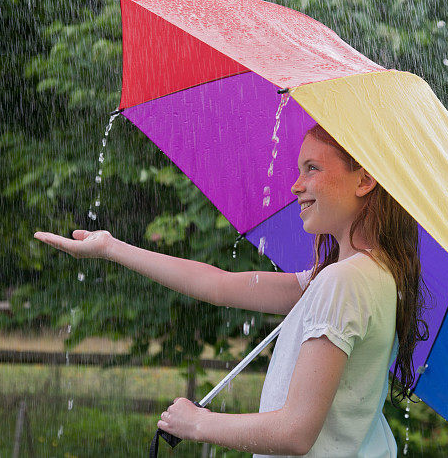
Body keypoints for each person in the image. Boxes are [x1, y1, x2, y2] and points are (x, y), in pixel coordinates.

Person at [34, 123, 427, 457]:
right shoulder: (369, 275)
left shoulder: (345, 282)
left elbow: (296, 431)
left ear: (364, 179)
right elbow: (218, 284)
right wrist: (111, 247)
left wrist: (199, 423)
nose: (295, 185)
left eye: (312, 168)